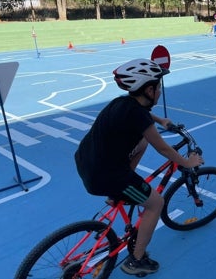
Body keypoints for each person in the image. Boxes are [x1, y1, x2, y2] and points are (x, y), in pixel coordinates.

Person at [74, 58, 204, 276]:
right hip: (106, 176)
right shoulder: (138, 115)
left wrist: (160, 120)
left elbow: (142, 116)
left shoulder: (122, 103)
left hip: (86, 161)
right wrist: (188, 162)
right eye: (158, 87)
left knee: (140, 141)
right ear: (149, 90)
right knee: (156, 203)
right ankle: (135, 260)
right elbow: (164, 149)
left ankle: (117, 194)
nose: (160, 90)